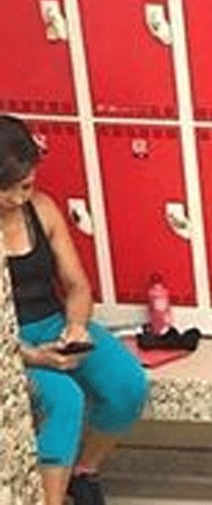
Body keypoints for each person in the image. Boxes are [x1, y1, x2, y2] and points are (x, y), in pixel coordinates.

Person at [0, 114, 150, 505]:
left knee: (128, 385)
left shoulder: (42, 210)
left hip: (53, 325)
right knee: (64, 398)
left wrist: (76, 327)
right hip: (8, 346)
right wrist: (34, 356)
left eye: (25, 186)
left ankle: (83, 473)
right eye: (6, 191)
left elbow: (77, 286)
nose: (18, 199)